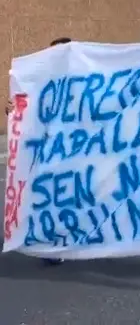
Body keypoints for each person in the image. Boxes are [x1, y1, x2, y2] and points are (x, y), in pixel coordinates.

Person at [5, 37, 71, 266]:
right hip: (46, 152)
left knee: (73, 200)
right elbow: (27, 109)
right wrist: (13, 112)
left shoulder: (83, 82)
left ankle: (74, 243)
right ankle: (51, 245)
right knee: (47, 199)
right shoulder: (39, 83)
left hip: (76, 152)